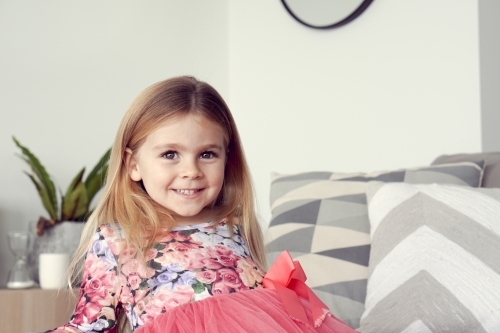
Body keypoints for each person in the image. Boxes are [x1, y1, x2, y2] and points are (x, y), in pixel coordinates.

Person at [42, 76, 356, 333]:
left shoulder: (233, 226)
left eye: (207, 154)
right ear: (133, 164)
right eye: (170, 154)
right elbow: (90, 325)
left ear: (226, 159)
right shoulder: (115, 238)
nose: (191, 171)